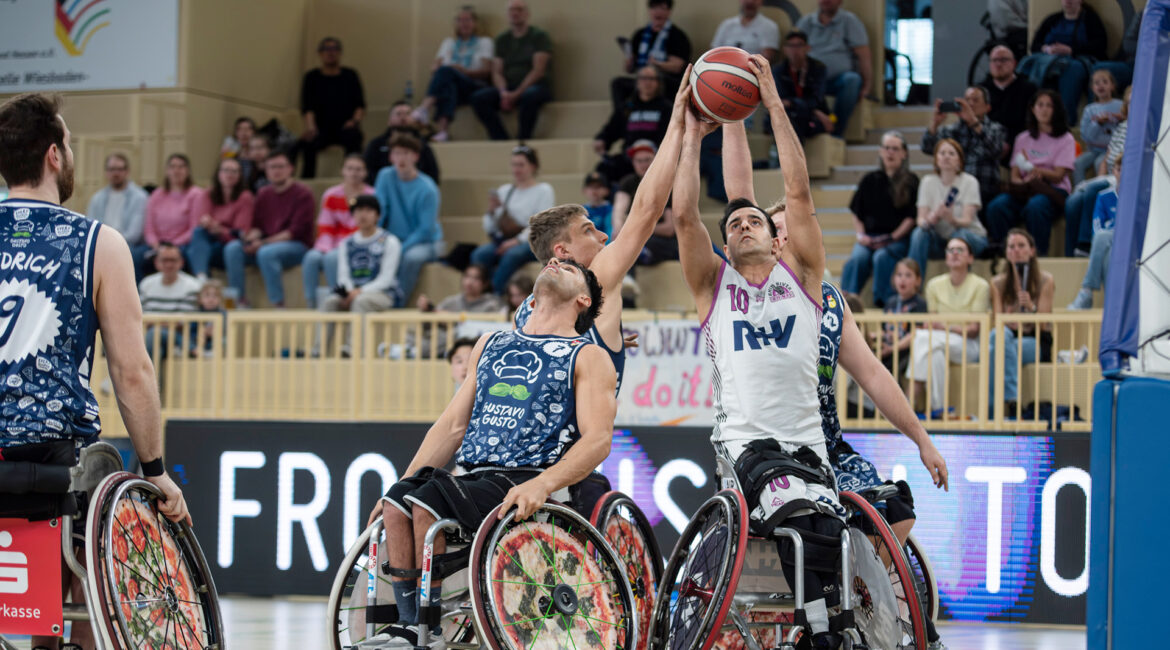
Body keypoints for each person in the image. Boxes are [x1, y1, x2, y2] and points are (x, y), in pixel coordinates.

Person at [0, 93, 189, 650]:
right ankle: (63, 634)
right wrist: (155, 470)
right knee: (99, 479)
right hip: (50, 464)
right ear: (54, 156)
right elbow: (131, 373)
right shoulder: (97, 243)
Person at [673, 52, 846, 645]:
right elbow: (685, 216)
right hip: (745, 446)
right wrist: (691, 134)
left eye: (753, 220)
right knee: (797, 517)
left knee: (825, 527)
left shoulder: (803, 280)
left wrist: (771, 100)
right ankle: (818, 627)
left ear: (777, 240)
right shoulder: (713, 288)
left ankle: (833, 623)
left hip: (808, 445)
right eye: (734, 224)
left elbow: (797, 189)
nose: (742, 224)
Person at [366, 258, 614, 649]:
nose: (554, 263)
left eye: (568, 267)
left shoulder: (587, 356)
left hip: (527, 476)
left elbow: (598, 440)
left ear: (583, 299)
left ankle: (425, 628)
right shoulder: (491, 343)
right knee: (398, 501)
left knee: (427, 500)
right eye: (552, 260)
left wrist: (543, 483)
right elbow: (451, 426)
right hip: (476, 475)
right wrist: (402, 480)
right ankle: (406, 622)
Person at [514, 71, 690, 393]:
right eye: (588, 231)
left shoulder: (526, 310)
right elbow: (647, 211)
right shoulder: (598, 279)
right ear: (562, 252)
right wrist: (677, 125)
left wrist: (599, 341)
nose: (604, 236)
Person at [814, 279, 949, 649]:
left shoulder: (830, 301)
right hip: (779, 446)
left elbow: (873, 374)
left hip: (828, 444)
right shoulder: (750, 296)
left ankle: (863, 606)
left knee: (896, 506)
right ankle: (847, 614)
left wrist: (922, 440)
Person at [907, 237, 991, 416]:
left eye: (960, 250)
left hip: (969, 346)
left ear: (970, 258)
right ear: (945, 257)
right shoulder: (934, 285)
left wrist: (945, 327)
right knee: (933, 352)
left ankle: (908, 403)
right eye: (950, 250)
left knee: (923, 338)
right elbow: (932, 323)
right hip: (939, 342)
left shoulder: (980, 285)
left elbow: (974, 329)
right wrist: (955, 327)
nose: (954, 253)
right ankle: (940, 408)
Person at [985, 89, 1075, 255]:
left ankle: (1037, 255)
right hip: (1025, 189)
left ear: (1056, 110)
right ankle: (1005, 252)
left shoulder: (1066, 138)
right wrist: (1024, 182)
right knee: (996, 207)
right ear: (1033, 109)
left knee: (1036, 207)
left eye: (1049, 105)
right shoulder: (1022, 138)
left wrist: (1035, 171)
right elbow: (1014, 175)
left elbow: (1059, 175)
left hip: (1051, 190)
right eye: (1040, 105)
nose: (1044, 109)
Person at [224, 151, 316, 307]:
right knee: (233, 248)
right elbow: (258, 227)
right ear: (266, 171)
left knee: (266, 252)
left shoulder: (303, 193)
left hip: (297, 246)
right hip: (267, 244)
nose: (276, 171)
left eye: (280, 166)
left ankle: (278, 304)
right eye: (271, 167)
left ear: (290, 168)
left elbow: (294, 232)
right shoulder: (263, 193)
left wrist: (263, 243)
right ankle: (238, 301)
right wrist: (251, 238)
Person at [842, 131, 918, 307]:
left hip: (896, 239)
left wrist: (890, 238)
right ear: (880, 151)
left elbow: (910, 219)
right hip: (869, 238)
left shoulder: (911, 181)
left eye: (895, 149)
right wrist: (861, 236)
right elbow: (857, 212)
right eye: (887, 148)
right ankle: (847, 302)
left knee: (881, 257)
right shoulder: (870, 179)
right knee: (858, 257)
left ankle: (884, 304)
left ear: (904, 153)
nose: (890, 152)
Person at [989, 228, 1054, 415]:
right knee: (997, 340)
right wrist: (1008, 319)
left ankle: (994, 410)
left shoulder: (1045, 280)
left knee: (997, 350)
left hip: (1036, 340)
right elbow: (997, 324)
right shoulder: (998, 283)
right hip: (1008, 337)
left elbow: (1044, 324)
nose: (1016, 250)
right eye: (1011, 247)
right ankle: (1012, 400)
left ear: (1032, 250)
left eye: (1021, 246)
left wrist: (1031, 309)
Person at [471, 145, 553, 292]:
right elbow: (490, 228)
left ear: (533, 166)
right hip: (506, 239)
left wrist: (516, 241)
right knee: (480, 254)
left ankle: (494, 295)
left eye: (521, 165)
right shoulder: (505, 190)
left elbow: (540, 225)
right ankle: (480, 293)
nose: (516, 169)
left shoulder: (544, 190)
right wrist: (490, 211)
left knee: (512, 255)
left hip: (531, 241)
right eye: (514, 164)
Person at [374, 134, 442, 302]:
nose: (401, 158)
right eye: (397, 153)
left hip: (425, 242)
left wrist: (399, 248)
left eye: (406, 153)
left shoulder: (428, 189)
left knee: (410, 258)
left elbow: (425, 230)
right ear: (391, 157)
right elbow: (379, 212)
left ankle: (397, 303)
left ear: (416, 157)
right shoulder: (384, 176)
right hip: (393, 238)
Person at [471, 0, 553, 141]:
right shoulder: (502, 40)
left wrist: (517, 93)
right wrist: (504, 93)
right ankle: (500, 139)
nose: (515, 13)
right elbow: (497, 71)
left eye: (519, 9)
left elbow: (538, 70)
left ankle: (523, 140)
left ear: (527, 14)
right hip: (508, 87)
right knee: (479, 98)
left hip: (535, 86)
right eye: (511, 10)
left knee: (530, 96)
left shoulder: (539, 36)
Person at [411, 6, 495, 142]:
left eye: (468, 20)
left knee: (447, 72)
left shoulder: (484, 42)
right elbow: (435, 67)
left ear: (475, 23)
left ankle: (424, 108)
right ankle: (443, 132)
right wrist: (444, 68)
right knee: (447, 84)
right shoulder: (449, 43)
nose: (464, 24)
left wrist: (462, 71)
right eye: (460, 20)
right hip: (452, 84)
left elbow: (486, 71)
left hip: (473, 85)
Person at [908, 139, 989, 277]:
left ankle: (962, 284)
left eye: (951, 153)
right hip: (941, 241)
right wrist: (931, 219)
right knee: (918, 233)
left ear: (959, 160)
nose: (946, 156)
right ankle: (914, 285)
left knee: (959, 236)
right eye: (942, 153)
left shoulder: (969, 181)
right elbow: (920, 219)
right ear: (936, 159)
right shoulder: (927, 182)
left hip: (971, 237)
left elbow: (967, 220)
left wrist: (951, 219)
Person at [1065, 86, 1129, 256]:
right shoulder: (1122, 127)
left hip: (1125, 175)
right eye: (1129, 104)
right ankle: (1070, 253)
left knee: (1093, 190)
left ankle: (1085, 243)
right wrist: (1101, 177)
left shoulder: (1146, 129)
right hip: (1111, 173)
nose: (1132, 107)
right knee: (1073, 201)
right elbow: (1109, 154)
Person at [1018, 0, 1107, 120]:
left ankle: (1067, 119)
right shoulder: (1053, 20)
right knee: (1027, 63)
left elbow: (1100, 45)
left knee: (1073, 69)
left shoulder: (1090, 19)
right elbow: (1034, 46)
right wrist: (1047, 49)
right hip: (1050, 60)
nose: (1068, 1)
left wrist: (1070, 50)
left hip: (1077, 59)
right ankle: (1031, 115)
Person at [303, 154, 373, 307]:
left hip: (356, 245)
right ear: (343, 171)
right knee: (311, 257)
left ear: (365, 173)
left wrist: (337, 249)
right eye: (350, 168)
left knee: (331, 258)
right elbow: (325, 226)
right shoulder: (331, 195)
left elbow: (366, 228)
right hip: (331, 244)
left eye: (358, 169)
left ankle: (336, 300)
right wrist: (326, 248)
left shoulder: (371, 195)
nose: (354, 173)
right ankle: (311, 304)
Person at [921, 86, 1007, 208]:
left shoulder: (995, 129)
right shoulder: (951, 130)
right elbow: (927, 148)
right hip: (955, 191)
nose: (970, 104)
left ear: (987, 107)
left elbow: (996, 150)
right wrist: (935, 123)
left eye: (976, 100)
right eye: (967, 100)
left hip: (985, 191)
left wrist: (973, 121)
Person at [796, 0, 872, 137]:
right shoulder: (806, 22)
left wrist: (867, 86)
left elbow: (863, 54)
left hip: (838, 81)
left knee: (852, 80)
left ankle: (836, 131)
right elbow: (793, 50)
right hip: (811, 80)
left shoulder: (850, 21)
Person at [320, 195, 402, 315]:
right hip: (353, 292)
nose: (363, 215)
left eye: (368, 210)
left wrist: (359, 291)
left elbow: (386, 279)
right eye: (358, 211)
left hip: (383, 294)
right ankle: (323, 335)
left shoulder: (390, 241)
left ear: (378, 216)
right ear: (353, 215)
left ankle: (356, 335)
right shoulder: (346, 243)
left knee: (360, 301)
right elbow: (343, 276)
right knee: (330, 302)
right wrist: (349, 292)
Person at [298, 37, 366, 179]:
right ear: (320, 53)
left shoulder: (350, 75)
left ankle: (353, 177)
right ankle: (307, 182)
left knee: (355, 136)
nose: (330, 53)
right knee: (306, 143)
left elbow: (360, 105)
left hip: (345, 127)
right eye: (326, 49)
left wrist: (354, 121)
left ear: (340, 53)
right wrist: (311, 127)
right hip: (321, 129)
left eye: (334, 49)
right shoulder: (311, 77)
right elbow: (307, 107)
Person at [593, 65, 672, 184]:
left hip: (656, 157)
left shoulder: (667, 108)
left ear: (658, 83)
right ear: (637, 82)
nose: (647, 82)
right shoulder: (627, 107)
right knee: (603, 169)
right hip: (629, 157)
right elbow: (612, 128)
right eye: (643, 78)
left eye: (651, 79)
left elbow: (671, 136)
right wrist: (602, 139)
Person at [611, 0, 692, 108]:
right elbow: (629, 70)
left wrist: (657, 64)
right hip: (642, 78)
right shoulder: (640, 35)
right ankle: (622, 119)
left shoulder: (677, 36)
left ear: (669, 11)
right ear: (649, 10)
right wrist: (629, 61)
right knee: (618, 84)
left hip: (664, 79)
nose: (657, 12)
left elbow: (678, 67)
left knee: (660, 82)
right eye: (654, 8)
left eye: (662, 8)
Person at [187, 157, 254, 281]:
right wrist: (212, 226)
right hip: (209, 240)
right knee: (198, 233)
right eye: (226, 170)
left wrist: (219, 230)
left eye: (235, 171)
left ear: (240, 175)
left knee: (194, 252)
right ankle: (202, 279)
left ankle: (203, 285)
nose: (230, 174)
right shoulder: (207, 193)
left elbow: (240, 232)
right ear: (218, 173)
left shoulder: (245, 197)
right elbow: (200, 222)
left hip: (229, 244)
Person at [1068, 156, 1120, 310]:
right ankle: (1112, 304)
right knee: (1108, 254)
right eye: (1119, 169)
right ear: (1113, 172)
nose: (1123, 173)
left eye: (1126, 170)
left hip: (1129, 243)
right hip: (1108, 243)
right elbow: (1096, 226)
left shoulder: (1137, 197)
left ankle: (1086, 291)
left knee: (1103, 238)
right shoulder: (1104, 196)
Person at [87, 153, 149, 281]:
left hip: (130, 245)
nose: (116, 173)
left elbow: (134, 234)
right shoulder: (97, 198)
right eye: (111, 169)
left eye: (120, 169)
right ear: (106, 172)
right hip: (102, 244)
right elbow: (91, 227)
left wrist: (112, 245)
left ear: (127, 171)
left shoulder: (140, 197)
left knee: (129, 255)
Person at [140, 242, 202, 360]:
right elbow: (140, 317)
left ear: (181, 262)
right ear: (156, 263)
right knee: (155, 344)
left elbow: (184, 323)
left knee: (154, 334)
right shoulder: (146, 284)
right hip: (150, 338)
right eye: (164, 260)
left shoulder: (192, 285)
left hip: (180, 337)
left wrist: (154, 323)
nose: (169, 264)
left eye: (173, 260)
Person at [144, 153, 202, 271]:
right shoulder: (156, 194)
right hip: (158, 245)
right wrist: (156, 245)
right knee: (134, 257)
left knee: (179, 257)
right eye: (173, 167)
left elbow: (194, 228)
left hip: (183, 244)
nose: (177, 171)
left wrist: (171, 246)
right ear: (167, 171)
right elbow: (149, 228)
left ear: (188, 171)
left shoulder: (196, 194)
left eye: (181, 167)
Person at [772, 30, 833, 141]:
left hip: (809, 117)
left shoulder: (818, 68)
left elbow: (816, 98)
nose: (795, 50)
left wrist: (793, 103)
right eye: (791, 46)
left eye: (799, 45)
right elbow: (781, 101)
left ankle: (785, 157)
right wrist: (815, 111)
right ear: (785, 50)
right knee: (789, 120)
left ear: (807, 48)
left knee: (795, 121)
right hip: (794, 114)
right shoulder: (778, 71)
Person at [364, 101, 441, 185]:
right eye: (398, 114)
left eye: (407, 113)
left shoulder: (423, 145)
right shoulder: (376, 145)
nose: (403, 117)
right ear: (389, 120)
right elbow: (366, 172)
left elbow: (433, 174)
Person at [875, 258, 927, 377]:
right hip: (888, 348)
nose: (902, 279)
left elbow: (915, 333)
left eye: (908, 275)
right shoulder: (890, 302)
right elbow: (884, 330)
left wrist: (893, 348)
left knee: (891, 371)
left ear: (918, 280)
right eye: (899, 275)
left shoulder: (919, 303)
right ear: (894, 279)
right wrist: (876, 336)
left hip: (906, 351)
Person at [981, 45, 1038, 145]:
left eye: (1003, 60)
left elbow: (1033, 123)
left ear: (1014, 63)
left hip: (1022, 145)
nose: (998, 64)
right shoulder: (981, 91)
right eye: (994, 60)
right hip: (987, 145)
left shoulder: (1029, 90)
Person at [1073, 69, 1122, 184]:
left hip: (1112, 149)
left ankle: (1098, 191)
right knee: (1078, 163)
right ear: (1092, 88)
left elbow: (1123, 128)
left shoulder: (1120, 105)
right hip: (1093, 150)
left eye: (1105, 82)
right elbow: (1085, 135)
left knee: (1100, 163)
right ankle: (1079, 191)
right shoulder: (1089, 109)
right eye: (1096, 83)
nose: (1101, 85)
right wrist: (1097, 124)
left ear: (1112, 86)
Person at [417, 264, 503, 313]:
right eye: (467, 276)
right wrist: (427, 309)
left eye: (476, 278)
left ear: (485, 283)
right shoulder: (451, 301)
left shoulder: (492, 304)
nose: (469, 282)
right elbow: (431, 321)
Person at [712, 0, 780, 62]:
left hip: (752, 71)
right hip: (724, 68)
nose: (750, 2)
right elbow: (714, 53)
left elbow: (765, 59)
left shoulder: (769, 26)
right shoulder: (727, 25)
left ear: (761, 1)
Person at [581, 171, 613, 237]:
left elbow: (610, 233)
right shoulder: (580, 211)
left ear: (607, 190)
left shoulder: (611, 210)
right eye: (591, 187)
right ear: (584, 190)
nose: (594, 190)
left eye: (598, 186)